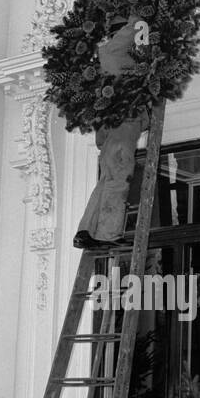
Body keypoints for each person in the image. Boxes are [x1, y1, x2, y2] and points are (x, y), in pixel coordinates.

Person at [73, 20, 149, 249]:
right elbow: (133, 27)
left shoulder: (114, 61)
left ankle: (87, 230)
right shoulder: (113, 53)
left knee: (108, 178)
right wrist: (143, 13)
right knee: (119, 175)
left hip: (116, 128)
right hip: (123, 125)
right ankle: (108, 233)